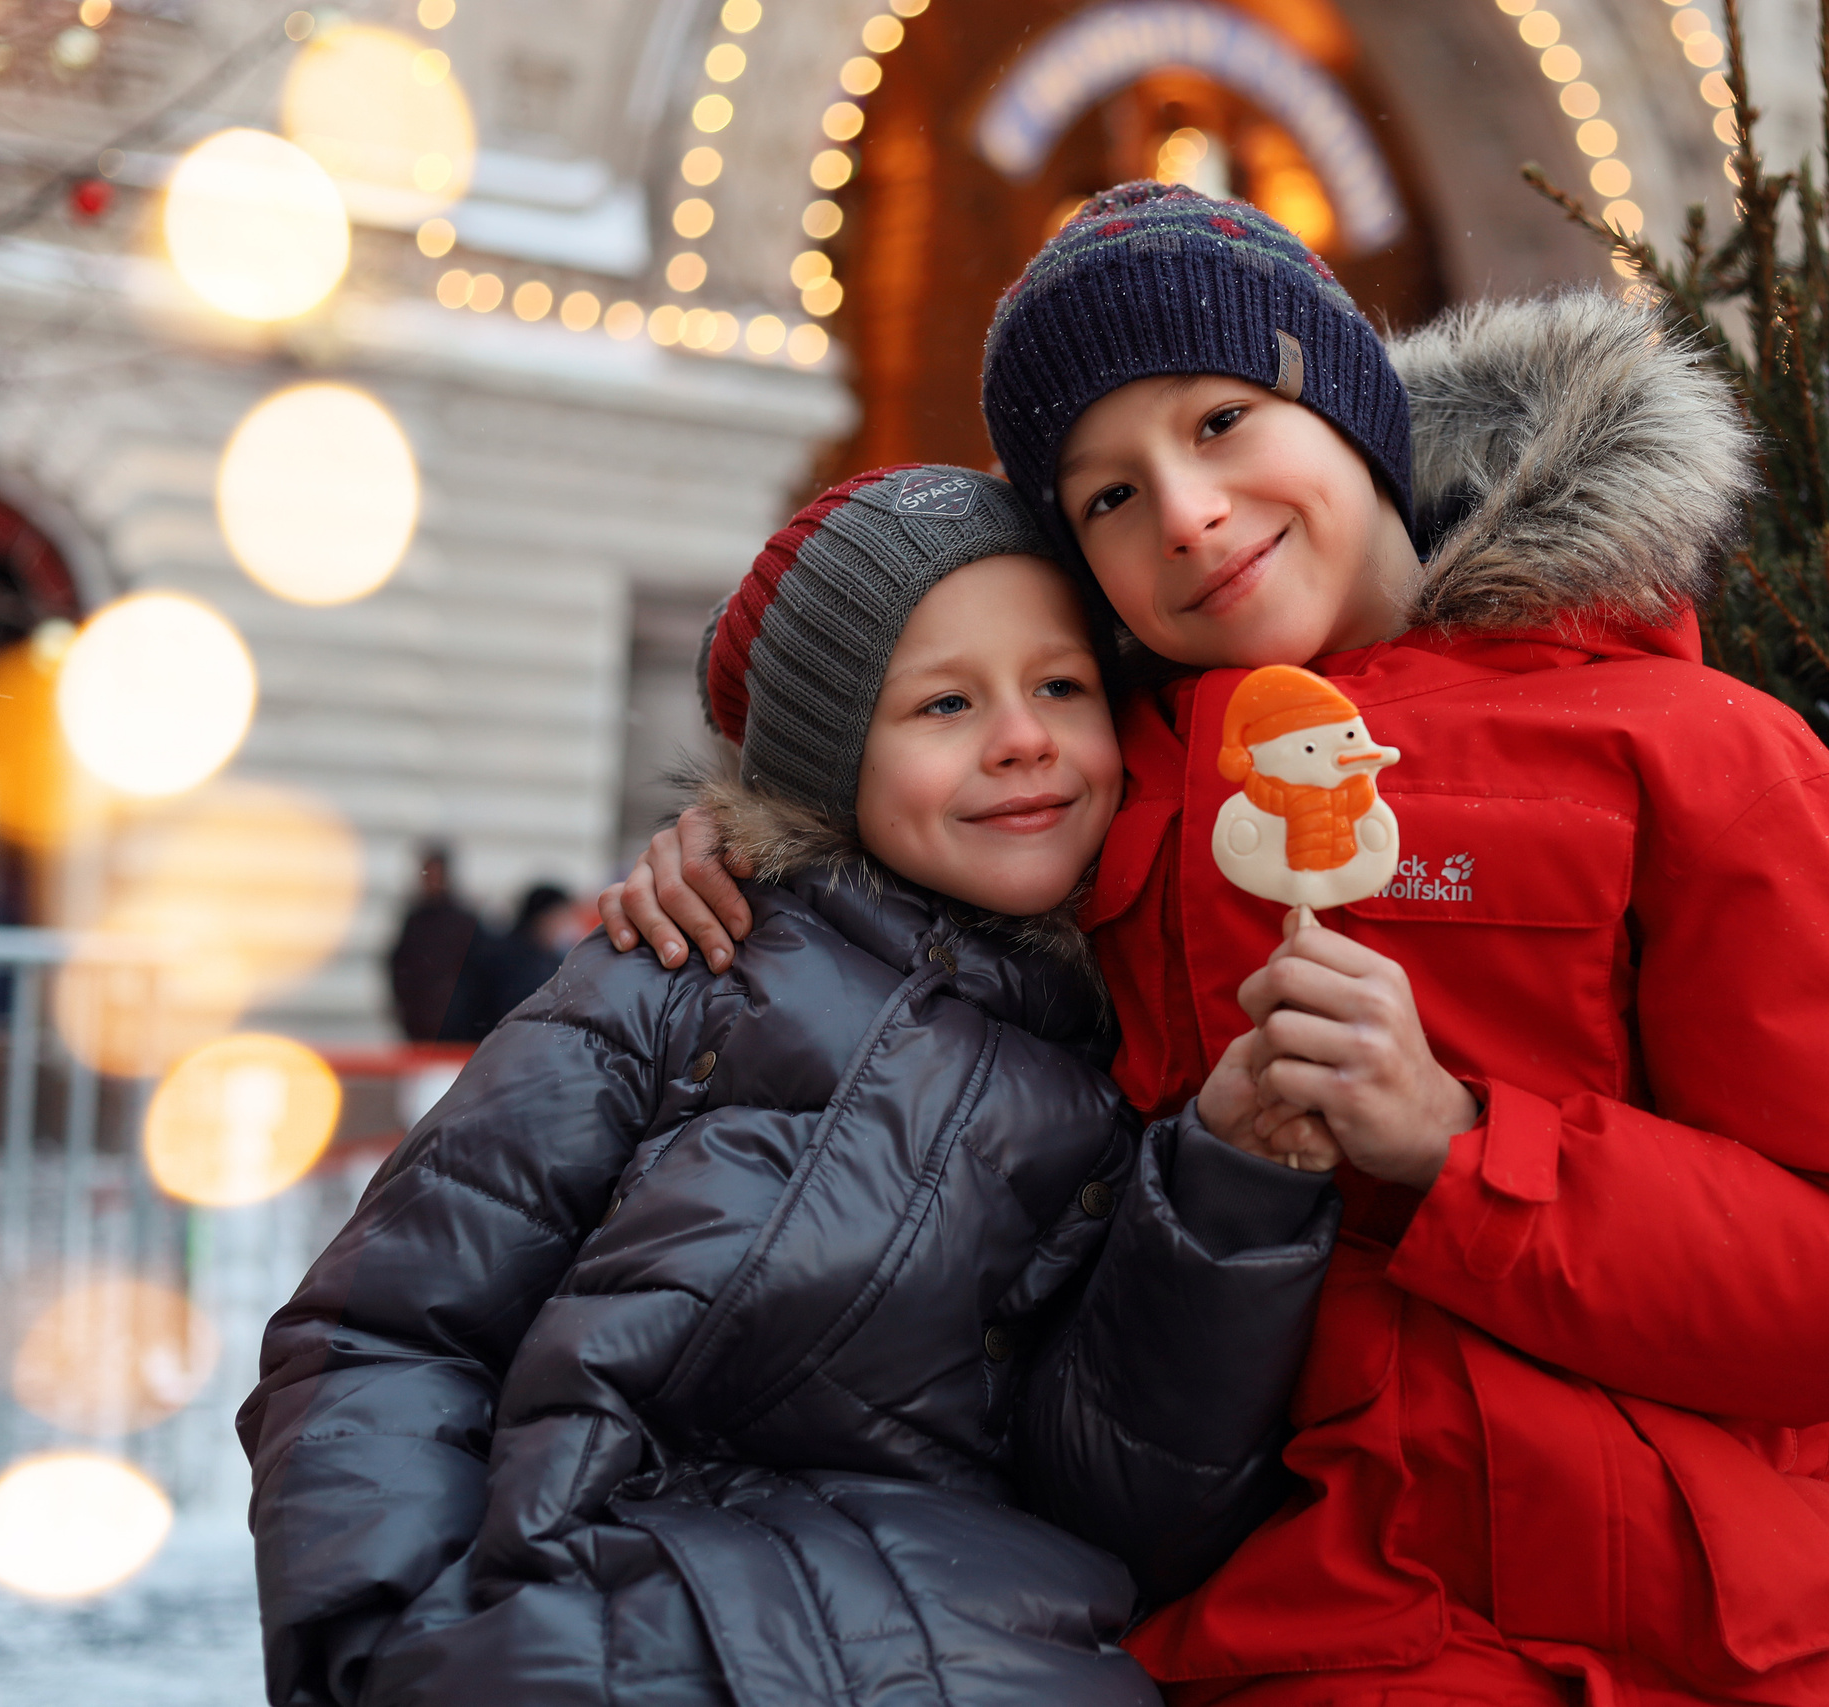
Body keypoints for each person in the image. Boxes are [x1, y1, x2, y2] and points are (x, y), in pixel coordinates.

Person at [605, 185, 1829, 1704]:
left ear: (1348, 407)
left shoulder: (1711, 757)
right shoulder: (1104, 785)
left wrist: (1463, 1146)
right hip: (1293, 1632)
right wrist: (754, 841)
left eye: (1220, 420)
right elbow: (897, 809)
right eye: (1106, 497)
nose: (1185, 511)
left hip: (1686, 1641)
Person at [239, 464, 1340, 1707]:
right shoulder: (677, 971)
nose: (1023, 735)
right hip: (577, 1626)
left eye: (1059, 686)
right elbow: (386, 1329)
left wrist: (1231, 1199)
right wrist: (383, 1641)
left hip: (979, 1652)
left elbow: (1130, 1493)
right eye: (942, 703)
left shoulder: (1140, 1049)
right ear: (829, 764)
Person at [441, 882, 578, 1042]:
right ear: (543, 917)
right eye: (562, 917)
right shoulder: (508, 958)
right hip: (488, 1049)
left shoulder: (549, 958)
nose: (565, 926)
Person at [385, 843, 480, 1042]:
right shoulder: (414, 920)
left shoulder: (465, 922)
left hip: (457, 1027)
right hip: (419, 1026)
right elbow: (400, 968)